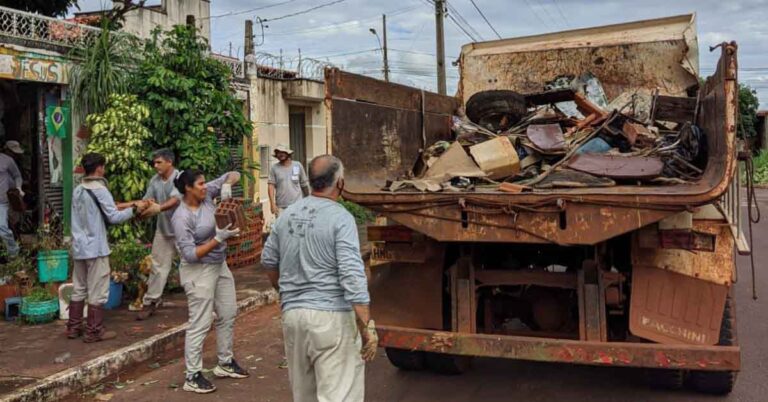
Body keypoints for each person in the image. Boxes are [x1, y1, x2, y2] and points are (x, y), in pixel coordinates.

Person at [261, 154, 378, 402]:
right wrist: (366, 326)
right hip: (331, 319)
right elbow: (351, 273)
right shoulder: (341, 218)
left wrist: (286, 294)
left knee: (304, 396)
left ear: (312, 182)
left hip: (294, 318)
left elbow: (269, 260)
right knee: (340, 395)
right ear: (340, 183)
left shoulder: (287, 215)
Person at [171, 169, 249, 394]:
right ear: (188, 188)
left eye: (206, 183)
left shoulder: (205, 196)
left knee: (227, 313)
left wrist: (226, 186)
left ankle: (225, 362)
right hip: (198, 271)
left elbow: (232, 174)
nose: (206, 187)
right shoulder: (182, 216)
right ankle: (192, 375)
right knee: (200, 322)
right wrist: (218, 238)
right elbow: (190, 255)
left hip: (219, 265)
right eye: (201, 184)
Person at [67, 153, 149, 342]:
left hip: (79, 245)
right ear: (99, 168)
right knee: (98, 289)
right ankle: (94, 331)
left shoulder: (78, 189)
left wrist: (129, 205)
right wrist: (134, 210)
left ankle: (73, 327)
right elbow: (113, 217)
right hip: (95, 247)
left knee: (79, 286)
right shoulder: (100, 189)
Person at [135, 149, 182, 320]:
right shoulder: (154, 181)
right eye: (154, 163)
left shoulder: (179, 178)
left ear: (169, 162)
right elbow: (148, 200)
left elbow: (176, 199)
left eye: (159, 162)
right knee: (157, 266)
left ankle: (200, 302)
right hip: (163, 230)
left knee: (192, 265)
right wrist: (142, 207)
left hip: (182, 230)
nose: (155, 166)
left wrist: (159, 208)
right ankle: (150, 302)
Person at [267, 145, 309, 218]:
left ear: (288, 153)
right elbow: (271, 186)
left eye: (283, 152)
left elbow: (304, 184)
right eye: (278, 152)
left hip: (297, 205)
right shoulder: (274, 168)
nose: (280, 154)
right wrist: (272, 204)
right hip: (281, 207)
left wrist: (309, 200)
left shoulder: (297, 165)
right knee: (282, 228)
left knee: (297, 227)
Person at [0, 141, 22, 257]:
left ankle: (13, 253)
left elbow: (17, 175)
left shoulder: (7, 160)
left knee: (2, 227)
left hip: (2, 201)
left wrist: (18, 188)